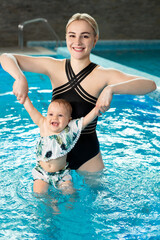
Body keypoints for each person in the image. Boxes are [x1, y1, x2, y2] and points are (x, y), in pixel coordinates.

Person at [0, 13, 157, 173]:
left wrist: (111, 89)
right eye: (72, 35)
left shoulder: (103, 74)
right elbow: (7, 57)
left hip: (87, 156)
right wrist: (19, 77)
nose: (77, 42)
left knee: (96, 193)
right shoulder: (53, 66)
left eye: (85, 36)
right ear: (66, 38)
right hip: (54, 156)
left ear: (95, 40)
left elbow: (150, 85)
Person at [22, 96, 100, 193]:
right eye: (51, 114)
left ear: (68, 120)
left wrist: (97, 109)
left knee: (70, 193)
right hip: (42, 173)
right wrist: (24, 97)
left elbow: (85, 121)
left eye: (60, 115)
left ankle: (66, 205)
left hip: (62, 174)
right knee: (39, 193)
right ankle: (51, 204)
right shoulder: (43, 124)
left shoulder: (70, 130)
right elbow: (31, 109)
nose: (54, 118)